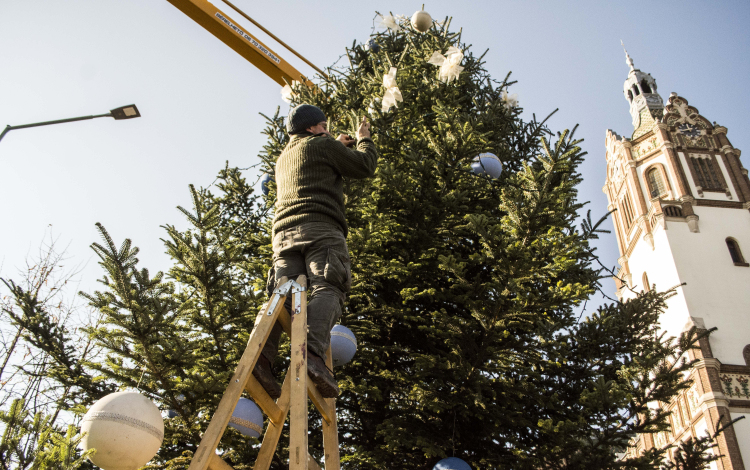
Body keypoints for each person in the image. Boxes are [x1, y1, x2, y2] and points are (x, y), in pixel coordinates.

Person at [253, 104, 378, 399]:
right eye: (324, 125)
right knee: (330, 285)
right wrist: (364, 139)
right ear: (311, 128)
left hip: (283, 237)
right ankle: (311, 355)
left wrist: (333, 145)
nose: (328, 130)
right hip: (320, 228)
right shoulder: (322, 144)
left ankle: (261, 358)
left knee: (282, 297)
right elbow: (364, 167)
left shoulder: (284, 157)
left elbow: (315, 159)